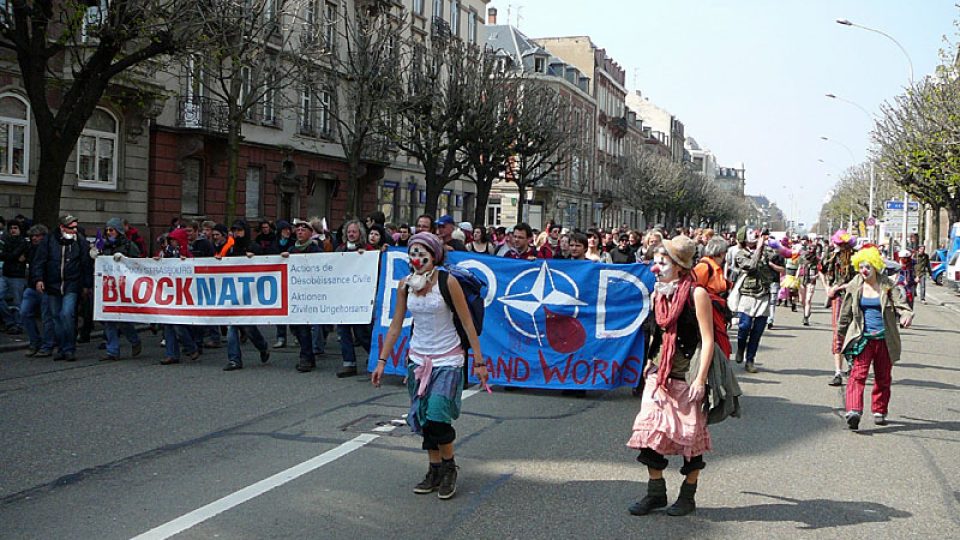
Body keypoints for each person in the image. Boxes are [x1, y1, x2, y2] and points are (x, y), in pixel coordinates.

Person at [371, 232, 488, 500]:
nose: (417, 258)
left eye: (422, 253)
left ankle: (449, 468)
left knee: (437, 415)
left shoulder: (448, 281)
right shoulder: (405, 285)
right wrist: (381, 360)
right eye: (413, 253)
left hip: (448, 359)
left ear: (434, 255)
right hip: (418, 360)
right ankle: (433, 469)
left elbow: (467, 323)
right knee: (424, 420)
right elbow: (397, 324)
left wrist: (479, 361)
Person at [626, 235, 714, 517]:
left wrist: (700, 379)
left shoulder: (696, 294)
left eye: (662, 261)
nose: (656, 266)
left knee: (690, 438)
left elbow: (708, 340)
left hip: (686, 374)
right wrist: (649, 362)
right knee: (649, 432)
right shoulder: (659, 292)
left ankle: (688, 497)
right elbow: (657, 332)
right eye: (655, 260)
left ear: (678, 266)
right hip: (658, 374)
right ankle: (656, 492)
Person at [837, 246, 913, 430]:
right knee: (857, 375)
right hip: (862, 338)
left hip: (885, 339)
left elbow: (902, 305)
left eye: (868, 267)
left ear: (876, 267)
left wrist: (905, 315)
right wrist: (840, 334)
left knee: (883, 377)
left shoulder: (887, 285)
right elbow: (845, 311)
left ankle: (879, 410)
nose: (864, 270)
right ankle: (854, 411)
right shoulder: (855, 285)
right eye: (861, 266)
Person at [31, 215, 93, 362]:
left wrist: (86, 284)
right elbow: (39, 261)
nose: (74, 230)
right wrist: (38, 279)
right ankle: (61, 347)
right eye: (71, 228)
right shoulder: (49, 241)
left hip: (72, 284)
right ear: (62, 227)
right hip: (53, 284)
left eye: (75, 227)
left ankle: (70, 348)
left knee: (67, 314)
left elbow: (86, 264)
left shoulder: (80, 242)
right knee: (56, 317)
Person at [732, 227, 777, 373]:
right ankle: (740, 347)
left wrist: (768, 243)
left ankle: (750, 360)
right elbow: (750, 266)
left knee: (757, 331)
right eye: (751, 233)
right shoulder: (740, 254)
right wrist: (758, 249)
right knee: (744, 326)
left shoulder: (765, 251)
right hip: (748, 295)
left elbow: (779, 257)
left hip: (763, 294)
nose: (755, 234)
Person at [97, 218, 142, 362]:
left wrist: (125, 259)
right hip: (108, 287)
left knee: (123, 319)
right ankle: (112, 351)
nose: (109, 233)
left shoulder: (129, 245)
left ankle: (135, 341)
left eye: (112, 230)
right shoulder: (103, 246)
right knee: (109, 318)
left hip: (124, 286)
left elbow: (138, 263)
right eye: (107, 230)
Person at [283, 220, 322, 372]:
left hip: (310, 293)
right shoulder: (292, 250)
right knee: (295, 327)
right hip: (295, 293)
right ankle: (309, 355)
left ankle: (305, 357)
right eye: (298, 230)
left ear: (310, 233)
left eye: (303, 230)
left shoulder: (315, 250)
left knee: (303, 326)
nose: (300, 232)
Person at [334, 219, 372, 377]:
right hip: (343, 296)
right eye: (349, 231)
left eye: (354, 231)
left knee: (361, 332)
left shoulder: (368, 249)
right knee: (343, 330)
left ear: (360, 233)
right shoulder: (340, 250)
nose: (351, 234)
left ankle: (375, 356)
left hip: (360, 296)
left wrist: (366, 256)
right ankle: (349, 363)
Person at [157, 228, 200, 365]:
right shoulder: (166, 253)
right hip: (169, 292)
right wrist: (156, 261)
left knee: (178, 325)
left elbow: (193, 268)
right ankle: (172, 354)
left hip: (182, 294)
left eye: (174, 240)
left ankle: (191, 347)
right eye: (171, 240)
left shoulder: (187, 253)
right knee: (168, 325)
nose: (172, 243)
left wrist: (186, 261)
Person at [823, 230, 858, 386]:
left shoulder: (857, 258)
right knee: (838, 332)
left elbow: (859, 279)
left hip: (853, 297)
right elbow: (820, 270)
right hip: (838, 298)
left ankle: (851, 363)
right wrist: (827, 288)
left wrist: (836, 288)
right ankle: (838, 371)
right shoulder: (831, 256)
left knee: (855, 331)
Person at [21, 225, 56, 357]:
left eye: (37, 236)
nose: (34, 238)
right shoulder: (31, 249)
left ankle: (47, 344)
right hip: (32, 285)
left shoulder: (50, 249)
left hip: (46, 286)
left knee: (47, 316)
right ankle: (35, 341)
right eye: (33, 236)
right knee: (24, 312)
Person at [0, 218, 28, 334]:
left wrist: (7, 255)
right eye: (11, 228)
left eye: (15, 228)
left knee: (18, 302)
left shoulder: (23, 242)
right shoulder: (5, 240)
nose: (13, 230)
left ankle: (18, 324)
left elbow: (10, 255)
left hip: (17, 275)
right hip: (6, 273)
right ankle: (9, 321)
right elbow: (10, 256)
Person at [797, 240, 821, 326]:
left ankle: (806, 317)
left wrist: (816, 276)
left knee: (808, 300)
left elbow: (820, 271)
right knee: (801, 300)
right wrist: (796, 278)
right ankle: (806, 311)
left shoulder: (817, 259)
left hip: (811, 281)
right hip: (802, 279)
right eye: (810, 248)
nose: (811, 250)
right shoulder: (802, 257)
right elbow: (799, 267)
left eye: (813, 249)